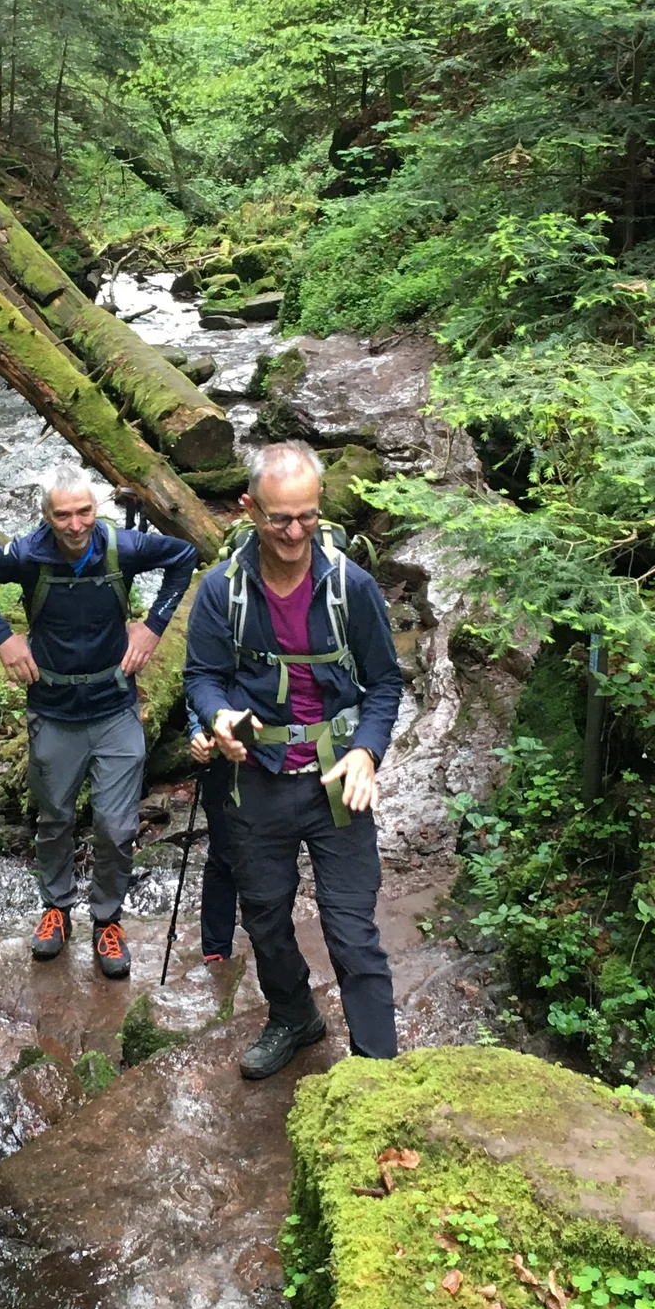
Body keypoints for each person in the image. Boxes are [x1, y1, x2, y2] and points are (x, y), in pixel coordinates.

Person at [184, 440, 403, 1077]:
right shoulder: (221, 591)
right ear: (250, 509)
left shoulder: (350, 588)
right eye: (279, 518)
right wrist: (217, 717)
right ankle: (293, 1016)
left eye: (307, 516)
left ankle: (376, 1070)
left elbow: (385, 683)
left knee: (351, 929)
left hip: (337, 778)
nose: (294, 531)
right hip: (255, 777)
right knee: (266, 917)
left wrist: (367, 751)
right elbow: (202, 676)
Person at [0, 467, 198, 979]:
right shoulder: (26, 555)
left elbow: (183, 556)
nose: (75, 523)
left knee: (116, 824)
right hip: (54, 710)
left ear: (96, 509)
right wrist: (3, 636)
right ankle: (57, 910)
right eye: (62, 514)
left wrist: (152, 628)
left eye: (84, 511)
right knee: (55, 818)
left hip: (115, 708)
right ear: (46, 515)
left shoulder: (121, 547)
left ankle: (108, 920)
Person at [186, 710, 240, 964]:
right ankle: (216, 949)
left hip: (272, 757)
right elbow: (200, 680)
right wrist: (197, 731)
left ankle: (272, 942)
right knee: (222, 852)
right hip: (219, 756)